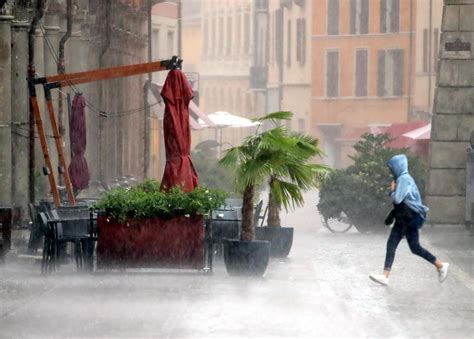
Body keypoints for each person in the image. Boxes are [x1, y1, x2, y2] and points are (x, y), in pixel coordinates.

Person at [369, 154, 449, 286]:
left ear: (398, 167)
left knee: (392, 243)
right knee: (415, 247)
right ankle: (440, 265)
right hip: (407, 217)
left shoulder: (404, 179)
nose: (391, 171)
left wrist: (392, 190)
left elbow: (397, 199)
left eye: (392, 168)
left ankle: (385, 276)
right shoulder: (404, 178)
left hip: (407, 217)